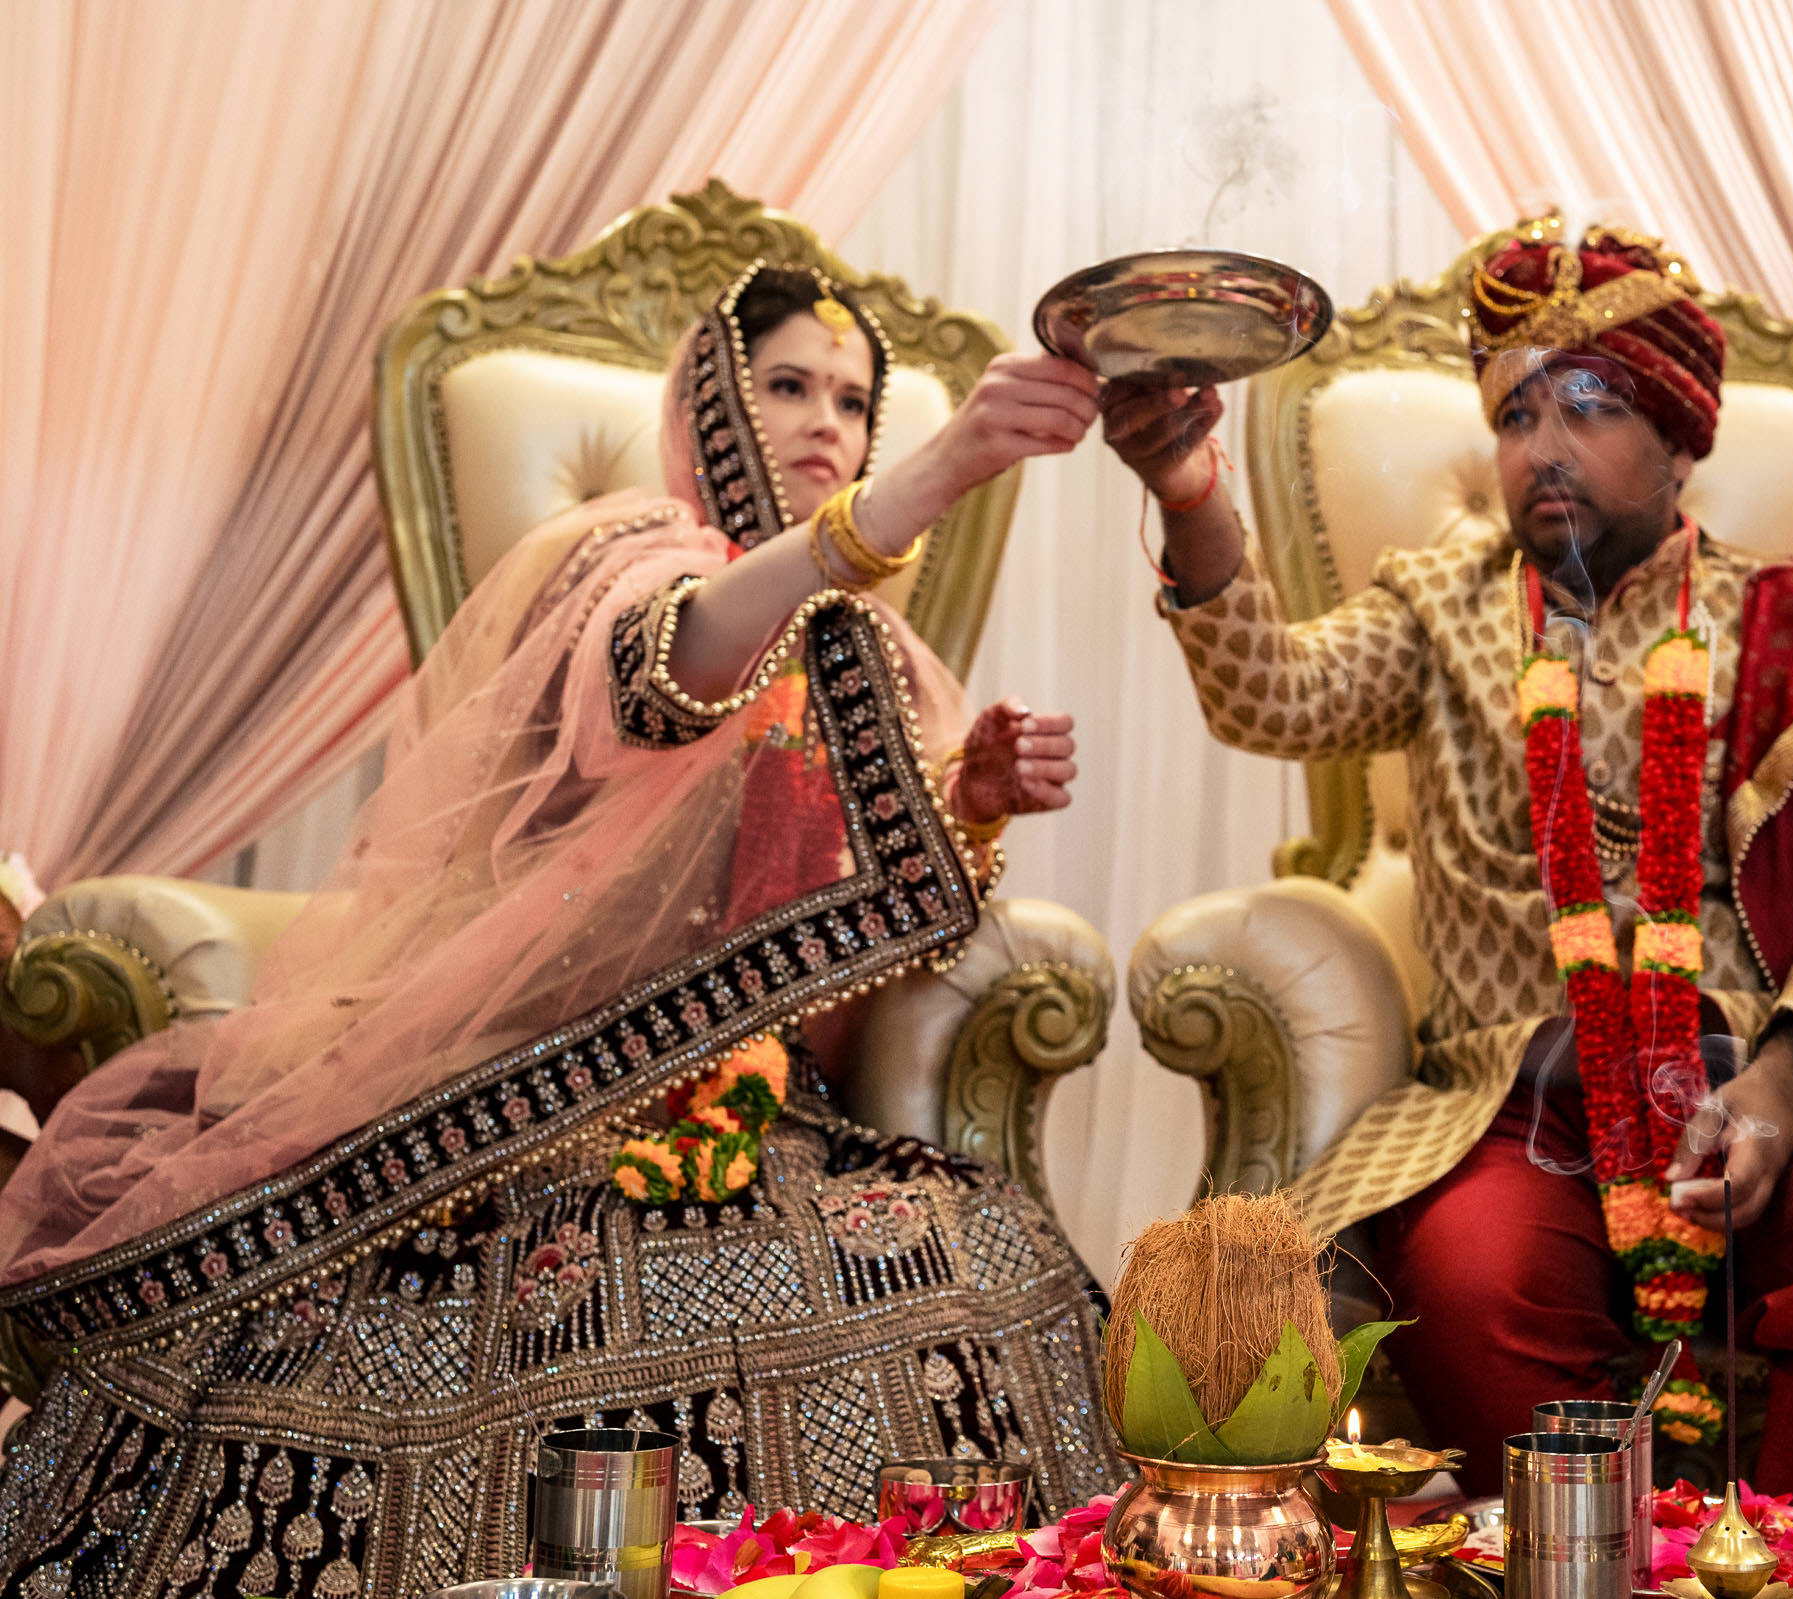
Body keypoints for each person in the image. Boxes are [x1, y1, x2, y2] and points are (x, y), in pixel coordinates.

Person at [0, 263, 1115, 1596]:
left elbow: (834, 945)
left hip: (751, 1108)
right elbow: (672, 679)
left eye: (856, 401)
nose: (826, 418)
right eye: (786, 385)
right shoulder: (632, 560)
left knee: (982, 1249)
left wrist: (970, 805)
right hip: (515, 1094)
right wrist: (928, 479)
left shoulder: (858, 652)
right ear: (710, 403)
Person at [1099, 227, 1793, 1505]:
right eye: (1516, 413)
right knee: (1471, 1281)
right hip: (1513, 1095)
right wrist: (1193, 496)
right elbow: (1271, 697)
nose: (1544, 447)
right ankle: (1604, 1565)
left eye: (1592, 406)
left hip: (1782, 1071)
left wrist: (1784, 1087)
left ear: (1683, 441)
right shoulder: (1438, 605)